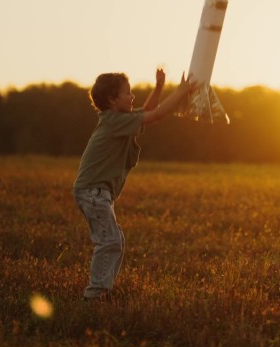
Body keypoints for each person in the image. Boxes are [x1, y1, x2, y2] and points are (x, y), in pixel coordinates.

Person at [74, 69, 195, 300]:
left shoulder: (119, 120)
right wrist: (181, 91)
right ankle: (95, 295)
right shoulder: (113, 121)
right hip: (93, 193)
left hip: (97, 193)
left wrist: (159, 87)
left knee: (115, 240)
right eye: (127, 93)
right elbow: (157, 114)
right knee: (108, 241)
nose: (132, 97)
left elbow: (148, 111)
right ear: (112, 100)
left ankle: (102, 290)